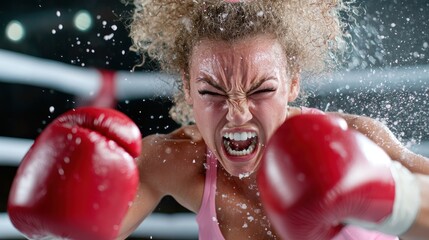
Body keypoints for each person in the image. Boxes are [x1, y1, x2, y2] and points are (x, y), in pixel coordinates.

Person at [7, 1, 429, 240]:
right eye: (211, 92)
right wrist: (56, 218)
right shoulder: (176, 160)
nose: (238, 112)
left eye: (261, 90)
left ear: (293, 83)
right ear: (188, 90)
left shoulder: (355, 141)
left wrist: (398, 198)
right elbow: (88, 229)